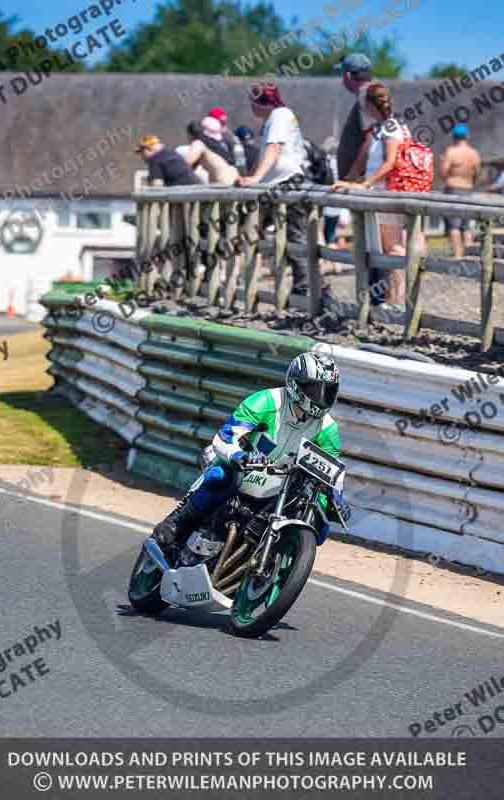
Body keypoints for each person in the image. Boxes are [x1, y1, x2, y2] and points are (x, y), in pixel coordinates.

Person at [152, 352, 350, 548]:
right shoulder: (266, 402)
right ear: (297, 384)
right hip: (245, 466)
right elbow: (224, 438)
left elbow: (331, 475)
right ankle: (178, 520)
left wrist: (335, 500)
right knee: (220, 477)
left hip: (283, 484)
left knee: (320, 527)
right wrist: (238, 455)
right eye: (316, 389)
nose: (322, 397)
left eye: (328, 391)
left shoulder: (328, 429)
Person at [334, 83, 408, 307]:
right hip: (383, 194)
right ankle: (390, 298)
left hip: (387, 195)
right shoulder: (386, 126)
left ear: (369, 104)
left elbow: (389, 163)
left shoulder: (390, 127)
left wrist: (365, 184)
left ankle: (397, 300)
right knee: (386, 247)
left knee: (392, 247)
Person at [237, 82, 309, 295]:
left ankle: (302, 286)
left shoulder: (279, 116)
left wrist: (256, 178)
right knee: (259, 228)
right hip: (279, 182)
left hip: (285, 182)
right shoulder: (277, 117)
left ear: (263, 103)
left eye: (254, 102)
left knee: (293, 236)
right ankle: (292, 282)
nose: (251, 106)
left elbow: (274, 147)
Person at [440, 124, 481, 258]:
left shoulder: (451, 152)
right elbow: (477, 173)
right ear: (467, 136)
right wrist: (470, 183)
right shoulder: (474, 153)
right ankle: (469, 256)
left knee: (454, 226)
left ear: (454, 137)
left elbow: (443, 172)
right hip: (468, 190)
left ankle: (457, 256)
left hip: (453, 189)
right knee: (466, 226)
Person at [335, 53, 374, 182]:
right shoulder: (372, 94)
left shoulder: (365, 96)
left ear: (348, 75)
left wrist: (353, 174)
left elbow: (371, 140)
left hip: (359, 182)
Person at [184, 121, 240, 185]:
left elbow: (186, 163)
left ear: (190, 135)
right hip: (234, 176)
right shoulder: (211, 142)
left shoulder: (198, 143)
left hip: (224, 180)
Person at [135, 135, 201, 187]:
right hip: (199, 192)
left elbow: (157, 186)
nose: (142, 157)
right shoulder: (173, 154)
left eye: (141, 152)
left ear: (148, 148)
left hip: (186, 198)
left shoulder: (155, 160)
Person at [209, 106, 247, 176]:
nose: (224, 125)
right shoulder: (207, 141)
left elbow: (241, 164)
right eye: (221, 122)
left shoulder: (231, 140)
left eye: (225, 122)